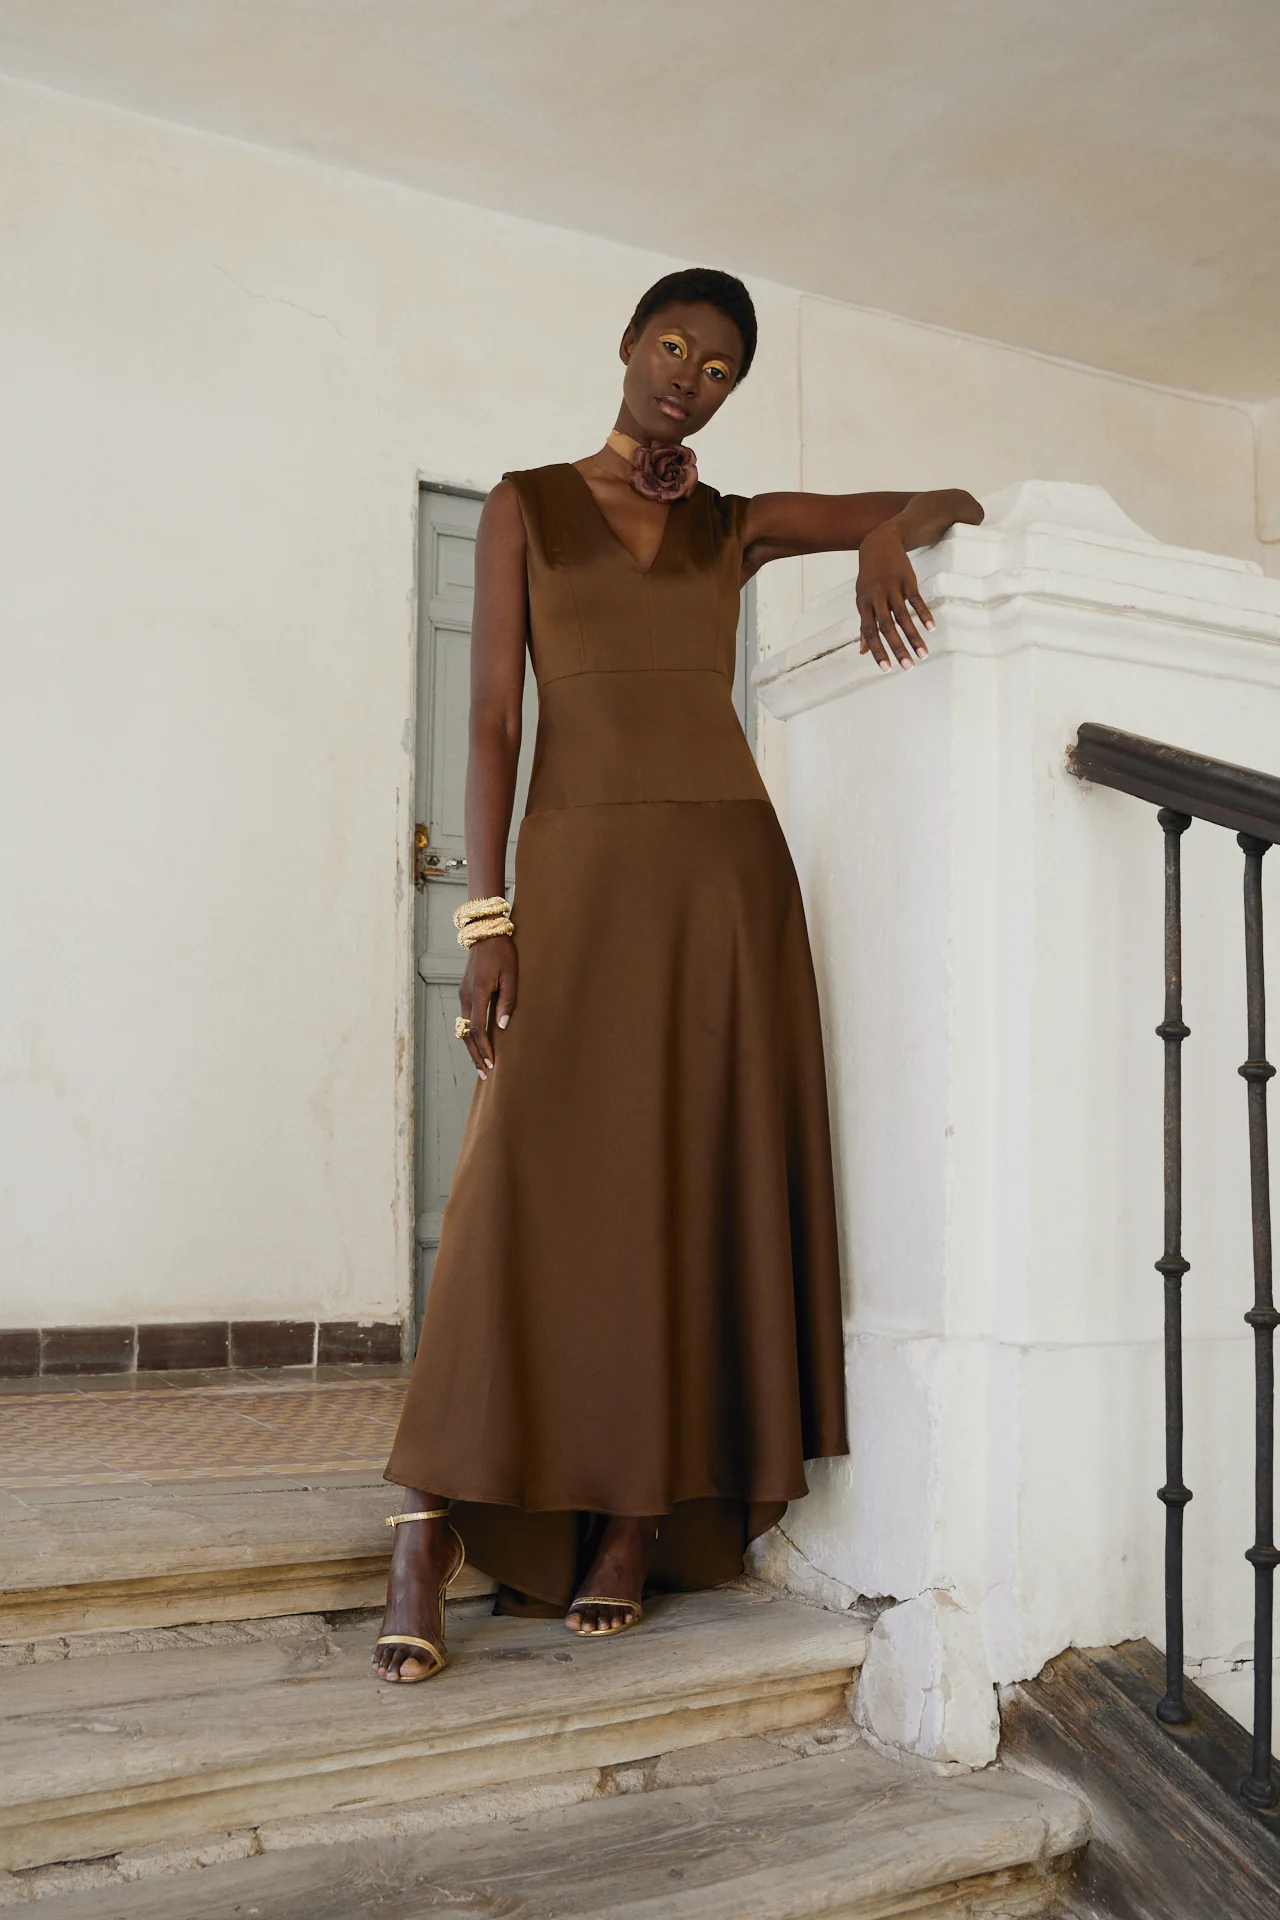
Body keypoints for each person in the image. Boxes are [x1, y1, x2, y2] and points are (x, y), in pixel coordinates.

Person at [375, 268, 983, 1681]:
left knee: (685, 1181)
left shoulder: (735, 524)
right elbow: (491, 719)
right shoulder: (526, 502)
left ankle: (637, 1521)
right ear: (629, 344)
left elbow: (949, 497)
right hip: (578, 877)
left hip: (722, 887)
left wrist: (886, 536)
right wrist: (487, 918)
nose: (687, 380)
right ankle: (427, 1520)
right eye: (672, 348)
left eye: (718, 371)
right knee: (519, 1180)